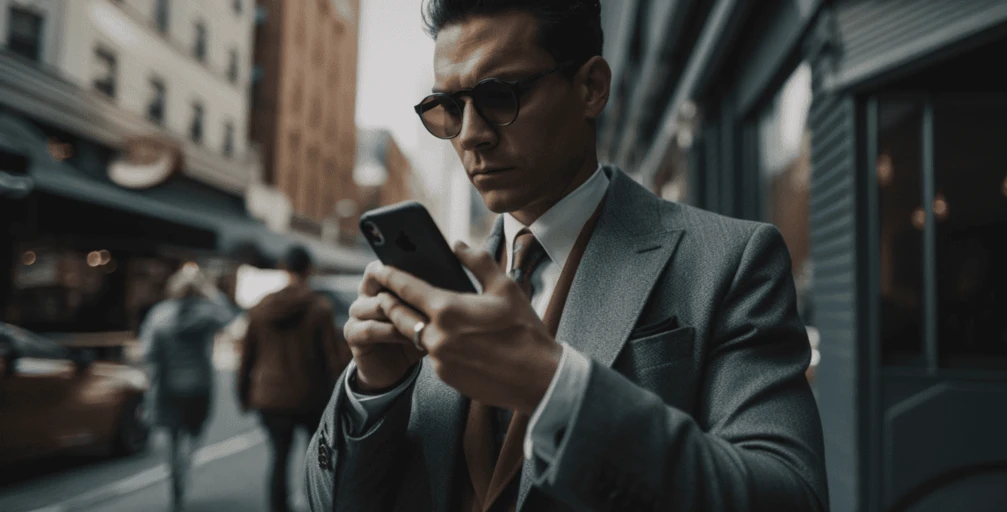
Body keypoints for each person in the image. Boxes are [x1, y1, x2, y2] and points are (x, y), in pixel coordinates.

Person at [306, 1, 828, 511]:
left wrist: (553, 386)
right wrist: (374, 390)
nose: (471, 135)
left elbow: (789, 495)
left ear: (591, 88)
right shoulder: (440, 294)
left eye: (499, 95)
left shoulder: (732, 261)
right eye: (449, 108)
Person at [238, 245, 349, 512]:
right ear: (308, 270)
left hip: (270, 397)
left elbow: (246, 358)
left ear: (283, 269)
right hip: (311, 396)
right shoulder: (320, 308)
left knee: (279, 458)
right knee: (319, 460)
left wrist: (243, 394)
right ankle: (315, 505)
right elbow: (332, 358)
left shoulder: (260, 309)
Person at [140, 264, 235, 512]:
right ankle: (186, 462)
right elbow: (228, 316)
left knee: (172, 437)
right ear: (197, 289)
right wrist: (210, 289)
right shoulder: (206, 312)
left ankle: (175, 470)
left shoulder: (158, 314)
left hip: (168, 388)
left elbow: (147, 352)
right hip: (198, 386)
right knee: (194, 431)